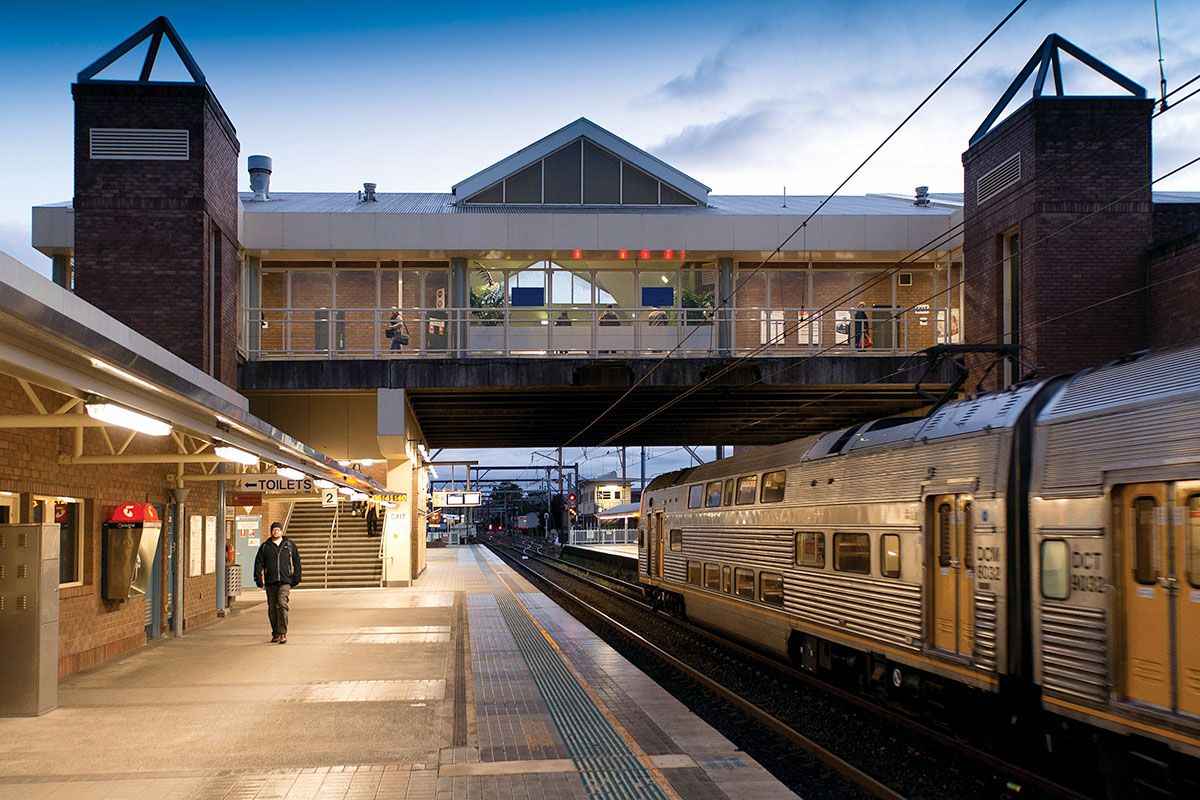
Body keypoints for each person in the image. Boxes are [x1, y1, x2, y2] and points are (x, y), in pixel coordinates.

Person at [254, 521, 301, 644]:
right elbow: (258, 563)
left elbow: (297, 561)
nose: (276, 532)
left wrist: (296, 577)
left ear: (281, 531)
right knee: (272, 609)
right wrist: (258, 577)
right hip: (271, 581)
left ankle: (282, 632)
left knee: (282, 604)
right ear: (271, 532)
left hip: (285, 580)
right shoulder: (265, 547)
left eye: (278, 530)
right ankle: (275, 633)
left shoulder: (289, 545)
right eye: (274, 530)